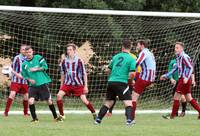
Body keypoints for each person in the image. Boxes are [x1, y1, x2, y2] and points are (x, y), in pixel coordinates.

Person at [95, 39, 136, 126]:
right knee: (128, 102)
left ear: (122, 47)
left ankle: (98, 119)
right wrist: (131, 81)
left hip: (111, 82)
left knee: (108, 102)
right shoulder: (132, 59)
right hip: (121, 82)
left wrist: (113, 74)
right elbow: (132, 73)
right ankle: (129, 121)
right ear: (130, 47)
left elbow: (108, 70)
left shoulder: (115, 57)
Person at [56, 43, 96, 120]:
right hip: (67, 84)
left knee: (84, 101)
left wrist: (86, 86)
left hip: (78, 85)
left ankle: (94, 113)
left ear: (74, 51)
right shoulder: (64, 61)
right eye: (67, 50)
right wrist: (61, 85)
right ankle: (62, 115)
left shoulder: (79, 61)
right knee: (59, 96)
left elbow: (84, 74)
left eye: (70, 49)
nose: (68, 51)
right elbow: (63, 74)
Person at [160, 42, 200, 119]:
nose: (175, 49)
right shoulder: (178, 57)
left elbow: (191, 67)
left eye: (177, 48)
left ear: (182, 49)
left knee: (176, 97)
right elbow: (175, 69)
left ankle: (172, 116)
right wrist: (166, 75)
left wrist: (187, 77)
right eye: (175, 48)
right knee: (189, 98)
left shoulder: (184, 57)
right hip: (183, 79)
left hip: (184, 79)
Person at [21, 46, 61, 122]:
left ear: (32, 52)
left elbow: (45, 67)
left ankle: (56, 117)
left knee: (49, 101)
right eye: (27, 53)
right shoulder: (24, 64)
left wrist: (36, 69)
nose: (28, 54)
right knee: (30, 101)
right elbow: (24, 75)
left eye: (30, 52)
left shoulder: (38, 57)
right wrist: (29, 79)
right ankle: (35, 119)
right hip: (33, 86)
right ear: (25, 54)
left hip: (42, 83)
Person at [106, 52, 140, 117]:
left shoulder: (118, 56)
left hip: (124, 80)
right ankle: (128, 115)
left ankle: (111, 112)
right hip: (126, 80)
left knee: (123, 97)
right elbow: (137, 69)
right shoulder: (133, 57)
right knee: (128, 98)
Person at [132, 40, 156, 122]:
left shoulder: (143, 52)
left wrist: (128, 69)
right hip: (150, 78)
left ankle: (131, 119)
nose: (136, 47)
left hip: (145, 78)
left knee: (133, 98)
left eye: (137, 45)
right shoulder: (150, 53)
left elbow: (137, 63)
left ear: (142, 45)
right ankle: (131, 84)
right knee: (133, 79)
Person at [4, 44, 29, 117]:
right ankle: (6, 112)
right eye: (23, 49)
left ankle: (25, 113)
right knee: (12, 94)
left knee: (26, 96)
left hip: (24, 81)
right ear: (20, 50)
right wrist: (16, 74)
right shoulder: (17, 58)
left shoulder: (28, 59)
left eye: (26, 49)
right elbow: (12, 69)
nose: (25, 51)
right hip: (15, 80)